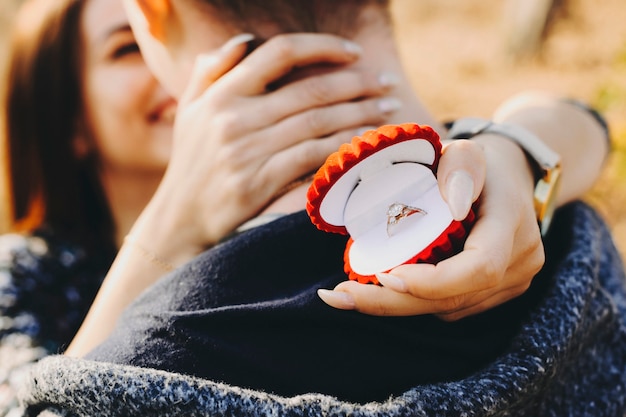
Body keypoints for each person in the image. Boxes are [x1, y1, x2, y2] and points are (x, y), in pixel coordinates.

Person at [17, 0, 624, 415]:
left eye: (130, 39)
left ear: (153, 14)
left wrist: (519, 145)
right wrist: (168, 228)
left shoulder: (508, 193)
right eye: (114, 53)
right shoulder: (569, 241)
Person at [0, 0, 396, 414]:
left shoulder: (306, 225)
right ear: (68, 120)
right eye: (129, 48)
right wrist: (173, 227)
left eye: (167, 35)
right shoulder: (23, 276)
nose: (166, 57)